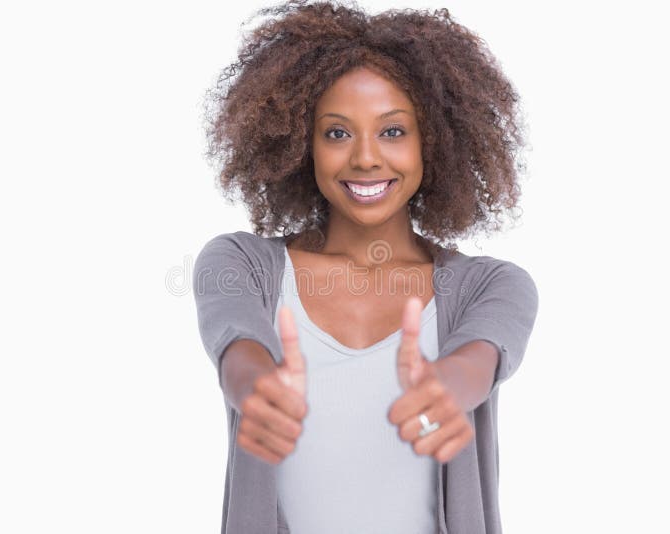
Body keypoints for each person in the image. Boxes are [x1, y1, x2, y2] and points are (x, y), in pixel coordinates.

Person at [193, 1, 539, 532]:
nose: (365, 158)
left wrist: (447, 386)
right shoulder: (244, 265)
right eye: (336, 133)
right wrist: (257, 387)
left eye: (393, 131)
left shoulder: (491, 285)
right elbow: (236, 344)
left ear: (435, 141)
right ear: (299, 145)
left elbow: (480, 359)